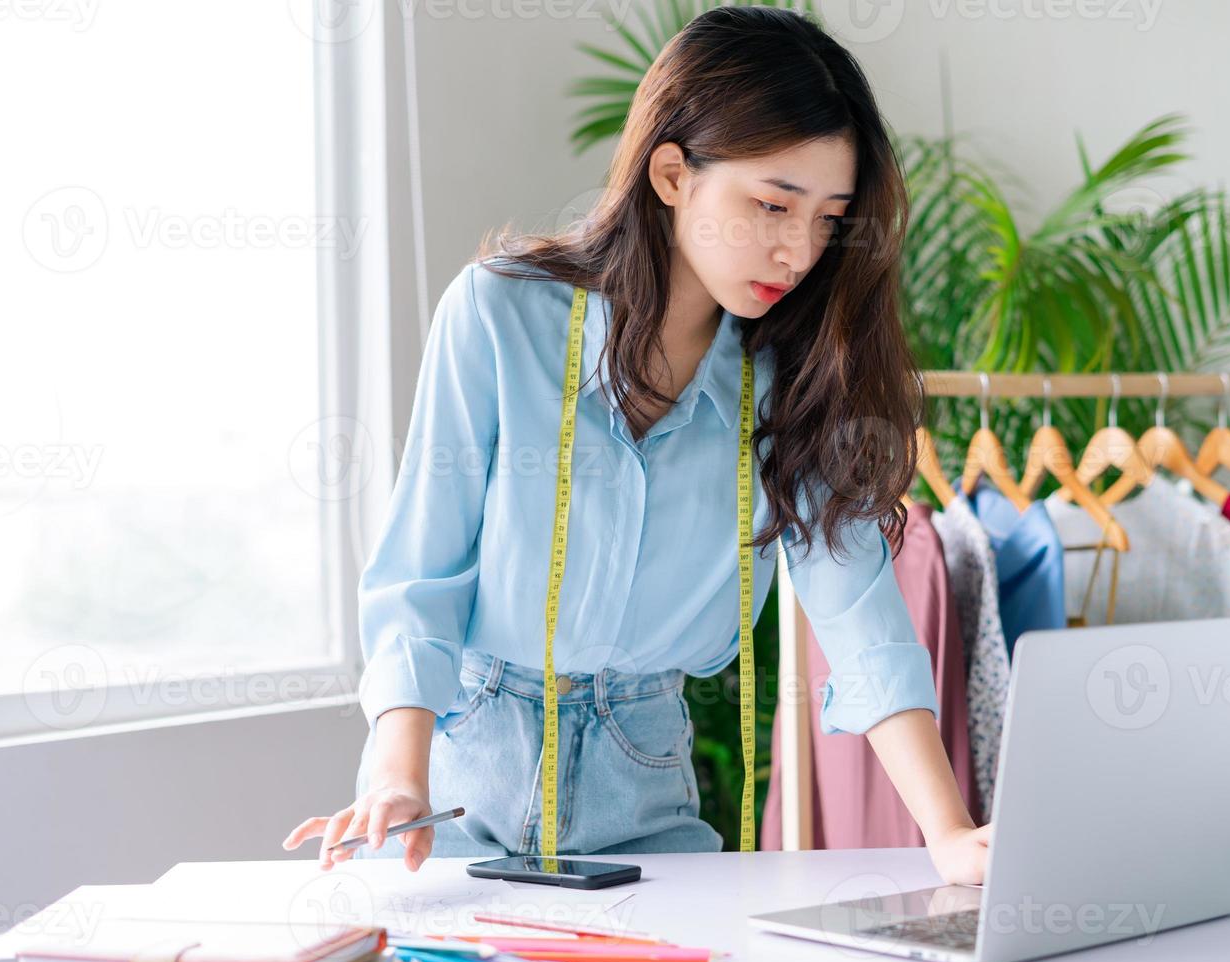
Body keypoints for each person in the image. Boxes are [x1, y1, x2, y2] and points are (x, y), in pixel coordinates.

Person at [283, 6, 991, 886]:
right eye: (772, 204)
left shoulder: (793, 377)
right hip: (459, 777)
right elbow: (420, 572)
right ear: (671, 173)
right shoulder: (499, 316)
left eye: (827, 219)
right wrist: (398, 772)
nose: (799, 248)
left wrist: (950, 833)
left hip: (645, 776)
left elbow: (857, 611)